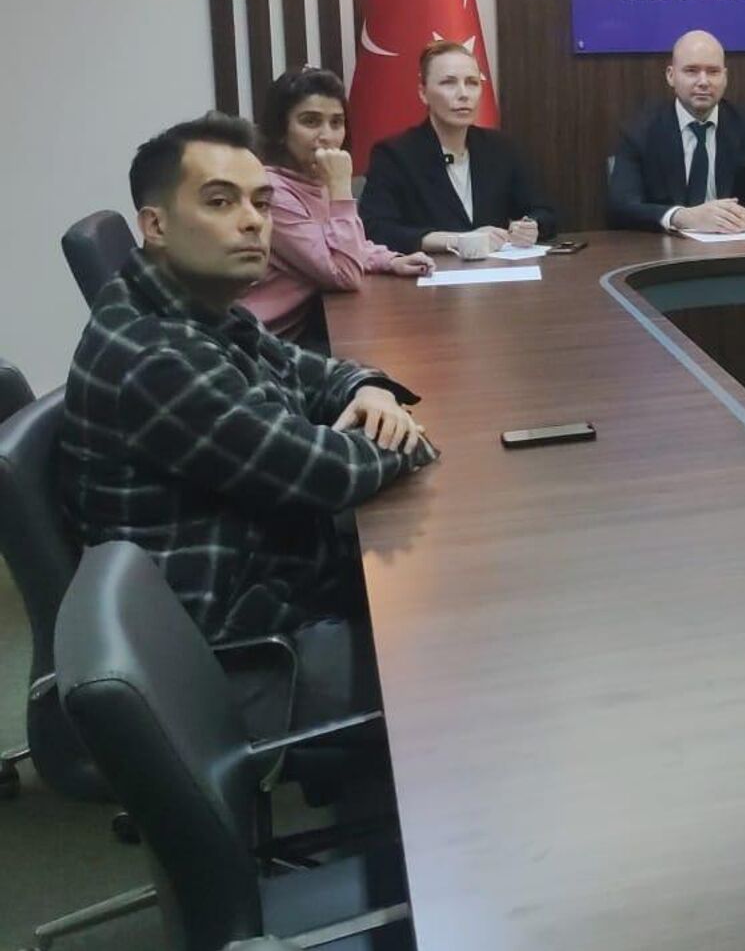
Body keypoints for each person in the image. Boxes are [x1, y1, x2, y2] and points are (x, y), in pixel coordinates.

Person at [61, 115, 434, 718]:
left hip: (270, 571)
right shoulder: (156, 358)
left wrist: (371, 390)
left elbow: (308, 371)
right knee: (457, 643)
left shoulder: (195, 304)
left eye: (261, 202)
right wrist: (405, 439)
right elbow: (325, 474)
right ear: (155, 225)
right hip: (242, 648)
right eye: (220, 201)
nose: (253, 221)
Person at [240, 66, 434, 346]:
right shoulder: (271, 191)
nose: (327, 136)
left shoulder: (313, 181)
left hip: (292, 338)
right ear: (281, 130)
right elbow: (344, 273)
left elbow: (342, 245)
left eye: (336, 123)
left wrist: (390, 260)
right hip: (254, 344)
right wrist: (341, 187)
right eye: (310, 122)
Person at [359, 40, 559, 255]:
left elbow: (545, 212)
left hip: (496, 271)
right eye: (449, 83)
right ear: (423, 92)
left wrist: (530, 226)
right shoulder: (394, 155)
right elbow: (376, 229)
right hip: (430, 271)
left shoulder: (501, 149)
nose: (464, 94)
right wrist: (458, 240)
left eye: (472, 82)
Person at [608, 28, 745, 232]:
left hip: (733, 244)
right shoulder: (639, 130)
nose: (703, 82)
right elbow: (620, 207)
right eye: (691, 71)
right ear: (671, 76)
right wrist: (682, 217)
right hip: (665, 247)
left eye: (713, 72)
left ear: (725, 77)